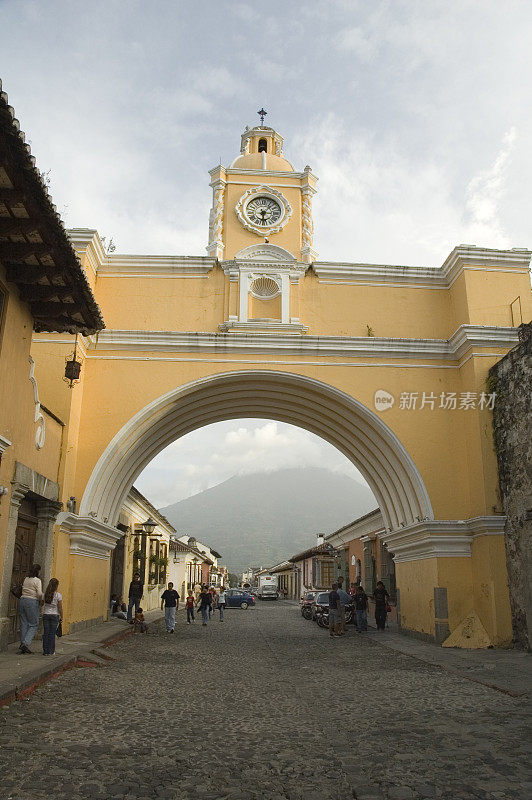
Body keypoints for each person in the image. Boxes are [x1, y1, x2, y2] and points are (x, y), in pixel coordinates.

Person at [18, 564, 43, 654]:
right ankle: (25, 643)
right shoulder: (37, 580)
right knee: (34, 624)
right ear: (37, 571)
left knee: (24, 623)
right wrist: (40, 600)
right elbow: (39, 594)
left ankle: (22, 643)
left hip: (22, 600)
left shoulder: (26, 579)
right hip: (32, 602)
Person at [42, 578, 63, 656]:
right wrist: (62, 617)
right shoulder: (58, 595)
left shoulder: (44, 594)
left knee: (46, 633)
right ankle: (51, 651)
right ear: (56, 586)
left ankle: (45, 651)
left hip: (46, 615)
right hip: (55, 615)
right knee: (52, 634)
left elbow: (41, 603)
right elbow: (60, 608)